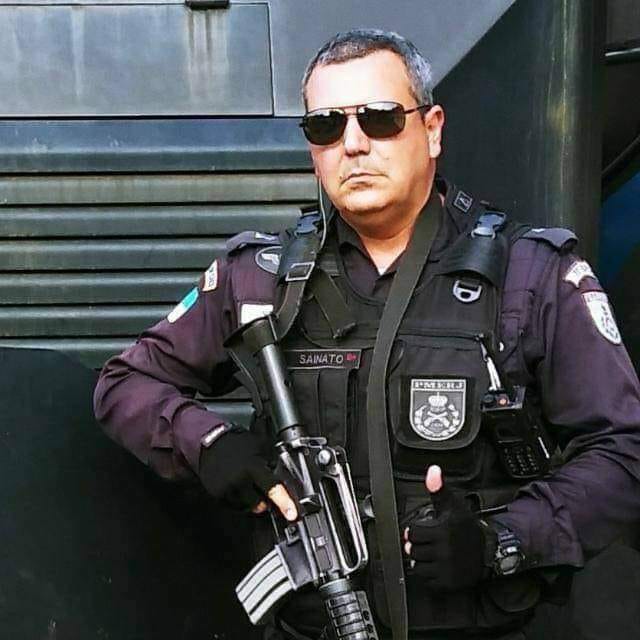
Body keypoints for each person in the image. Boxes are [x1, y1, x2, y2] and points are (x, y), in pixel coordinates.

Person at [94, 29, 640, 640]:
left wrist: (503, 541)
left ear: (431, 129)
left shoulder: (530, 275)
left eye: (380, 119)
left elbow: (623, 450)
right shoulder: (258, 278)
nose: (352, 144)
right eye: (326, 126)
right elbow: (124, 384)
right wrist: (209, 442)